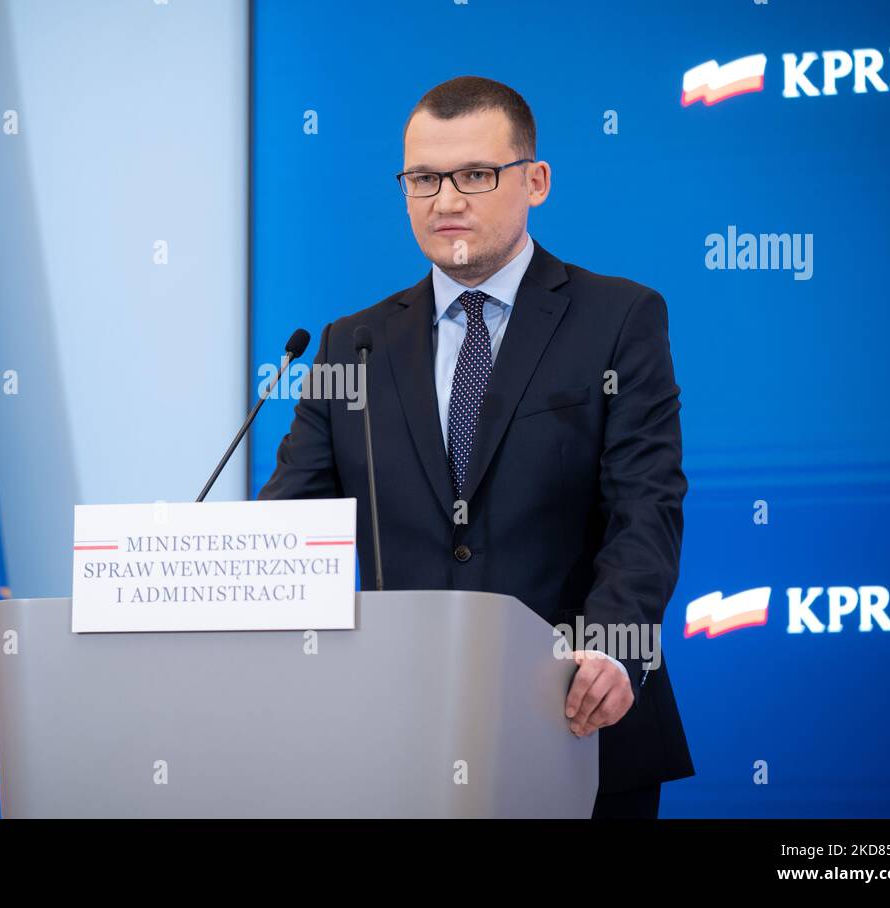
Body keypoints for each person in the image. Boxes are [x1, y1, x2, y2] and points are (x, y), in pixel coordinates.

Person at [258, 75, 694, 817]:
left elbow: (644, 505)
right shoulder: (348, 345)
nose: (446, 200)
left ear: (535, 181)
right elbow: (287, 529)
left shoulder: (618, 318)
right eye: (424, 178)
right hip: (393, 739)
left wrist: (613, 648)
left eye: (475, 175)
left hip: (577, 720)